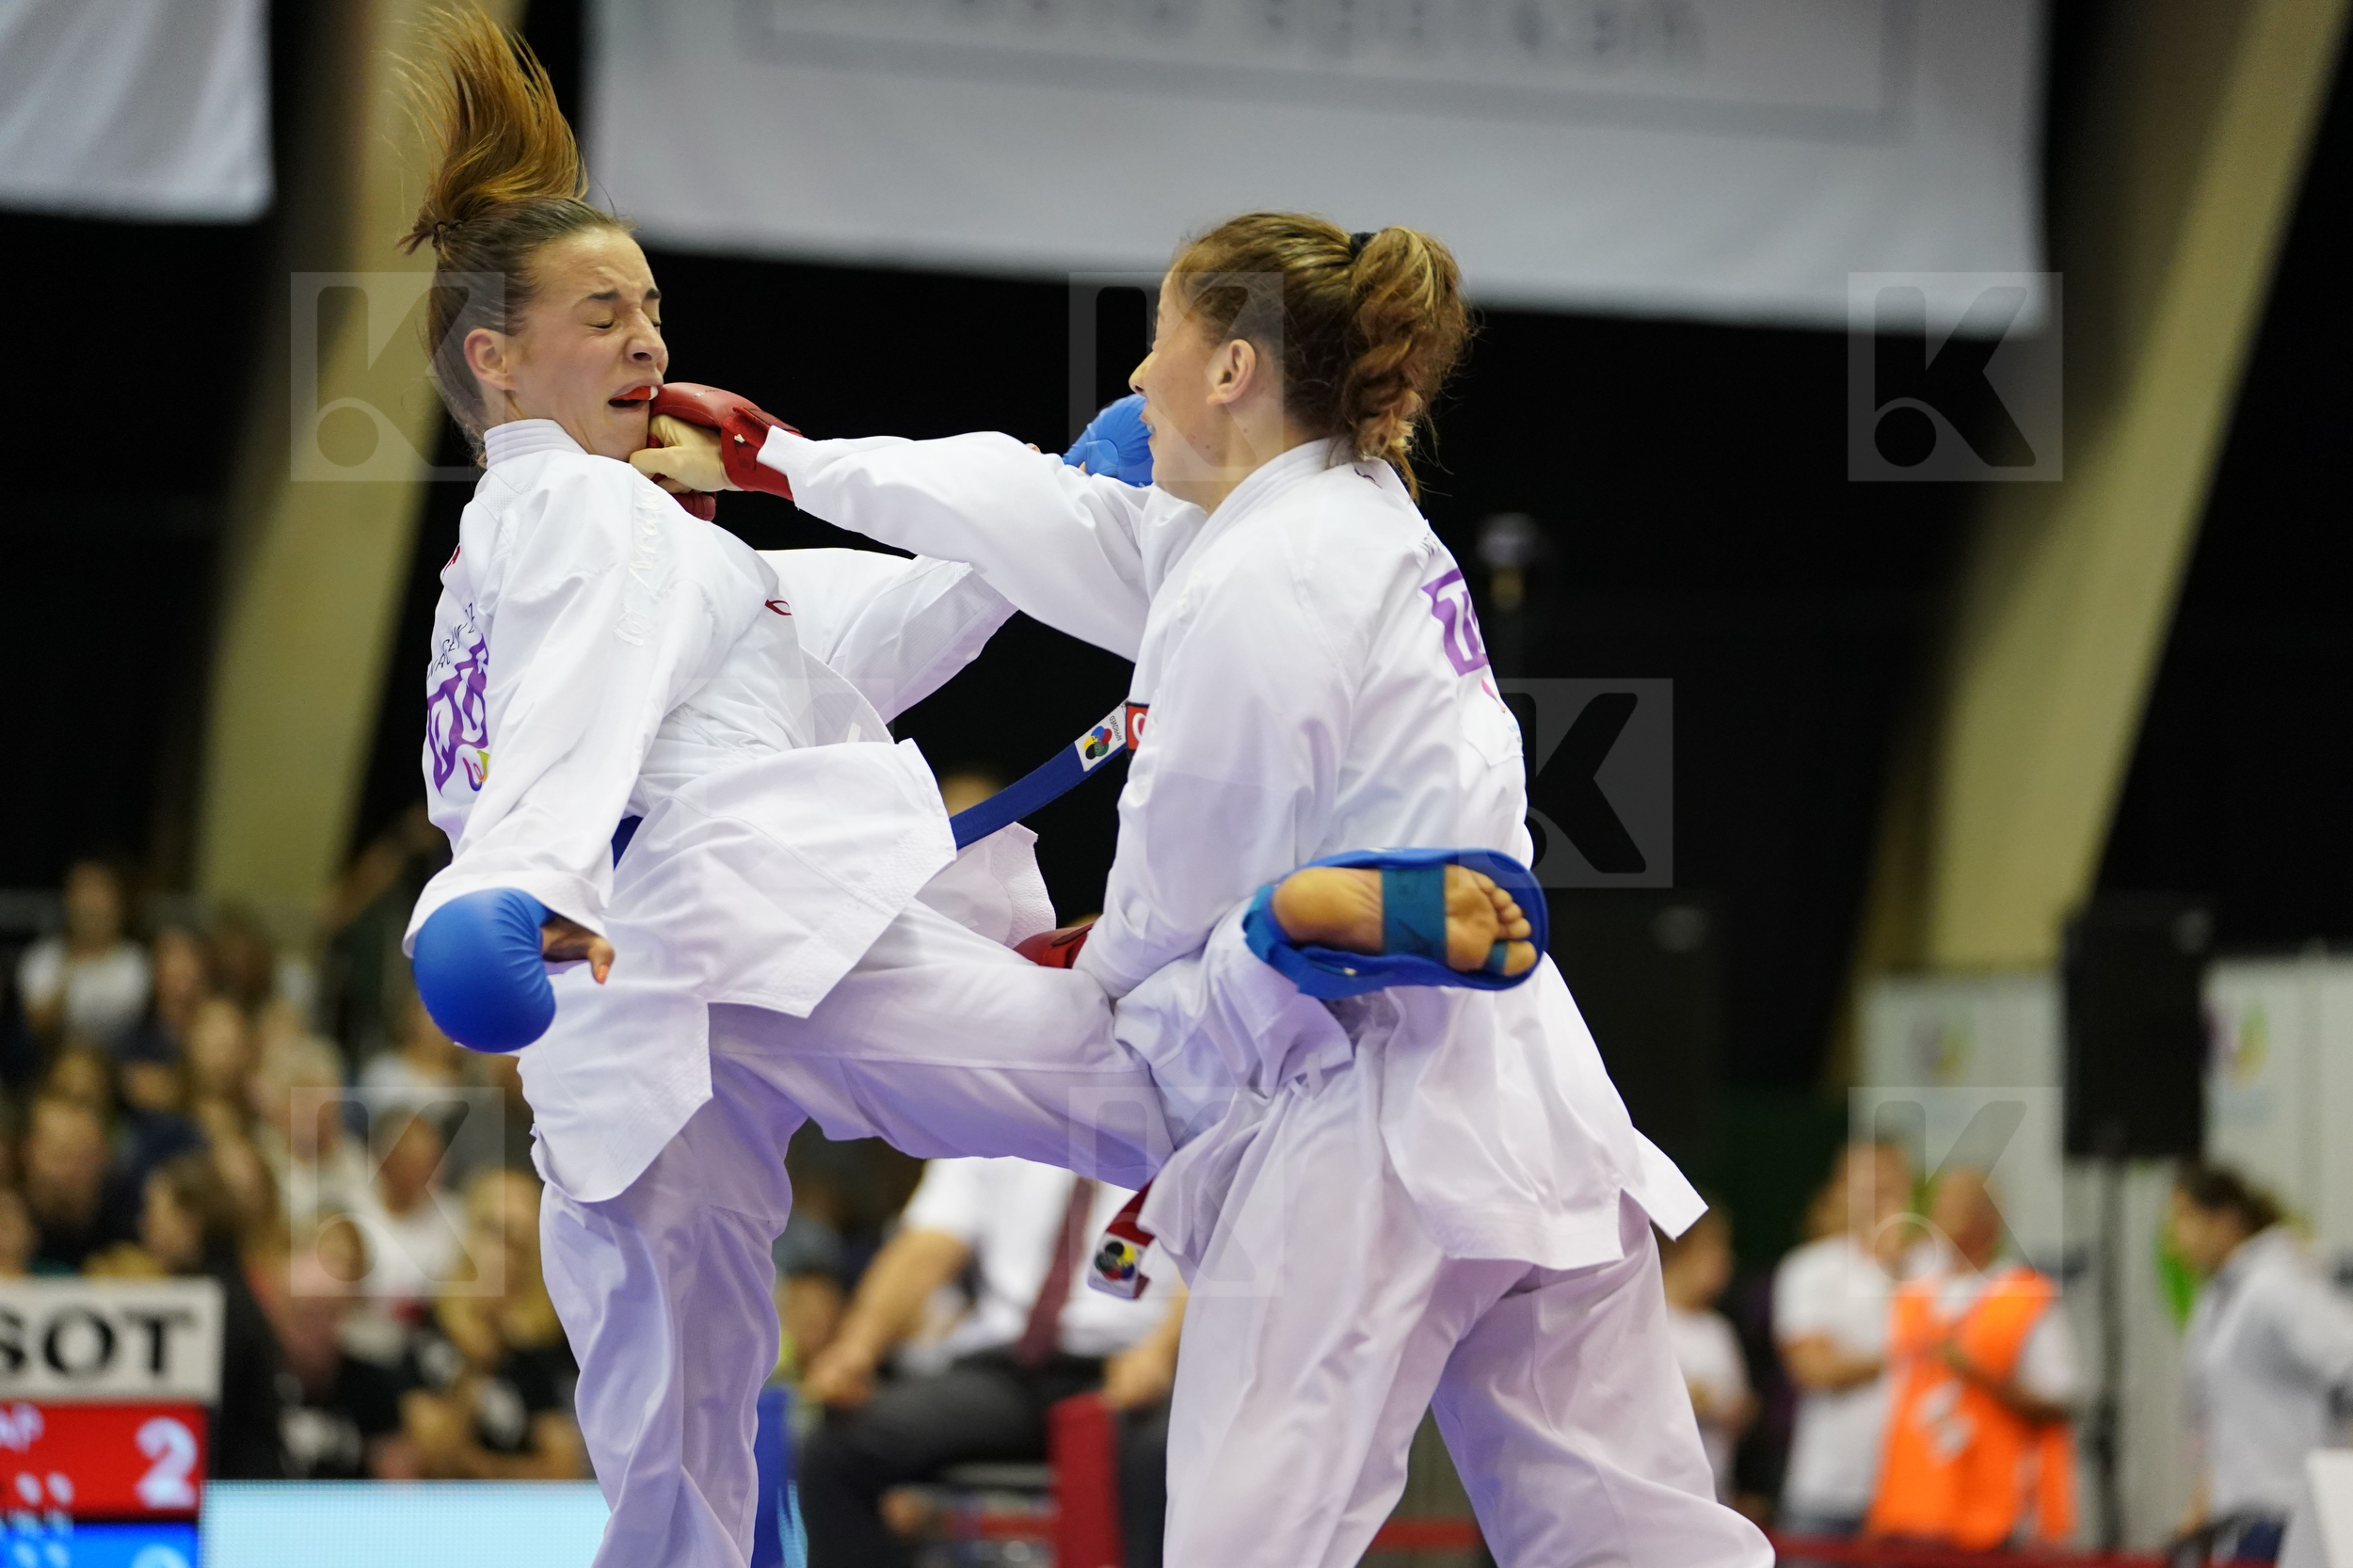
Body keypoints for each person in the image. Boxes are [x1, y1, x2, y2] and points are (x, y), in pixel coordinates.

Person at [393, 22, 1523, 1568]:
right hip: (698, 939)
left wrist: (1052, 493)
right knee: (1146, 1086)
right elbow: (564, 740)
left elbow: (877, 626)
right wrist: (501, 890)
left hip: (639, 1004)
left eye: (654, 307)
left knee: (677, 1453)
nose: (650, 341)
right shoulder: (590, 512)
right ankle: (1368, 1093)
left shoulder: (596, 553)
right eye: (605, 316)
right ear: (495, 360)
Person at [641, 211, 1769, 1567]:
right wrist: (795, 462)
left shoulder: (1263, 574)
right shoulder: (1336, 522)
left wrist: (1091, 963)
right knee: (1637, 1541)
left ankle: (1306, 921)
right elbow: (1044, 515)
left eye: (1155, 345)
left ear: (1231, 368)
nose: (1132, 383)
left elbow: (1178, 878)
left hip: (1357, 1112)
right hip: (1534, 1103)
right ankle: (1305, 920)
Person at [798, 1155, 1183, 1568]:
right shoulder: (994, 1118)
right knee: (838, 1447)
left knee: (1168, 1456)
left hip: (1132, 1370)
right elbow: (930, 1241)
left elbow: (1218, 1261)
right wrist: (857, 1348)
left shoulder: (1188, 1124)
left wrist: (1162, 1352)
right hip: (1011, 1372)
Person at [1865, 1166, 2078, 1550]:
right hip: (1913, 1516)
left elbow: (2059, 1402)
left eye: (1957, 1204)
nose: (1942, 1215)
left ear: (1990, 1218)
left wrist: (1979, 1373)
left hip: (1996, 1521)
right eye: (1939, 1204)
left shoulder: (2027, 1296)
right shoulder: (1911, 1296)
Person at [2170, 1161, 2353, 1563]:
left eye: (2186, 1216)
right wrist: (2204, 1497)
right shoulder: (2218, 1295)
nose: (2176, 1236)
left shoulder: (2274, 1285)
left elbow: (2346, 1361)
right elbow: (2223, 1415)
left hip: (2288, 1513)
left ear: (2227, 1219)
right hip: (2239, 1514)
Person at [399, 1168, 586, 1480]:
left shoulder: (537, 1350)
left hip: (516, 1517)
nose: (511, 1257)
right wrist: (476, 1365)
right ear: (469, 1235)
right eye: (500, 1235)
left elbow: (564, 1469)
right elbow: (434, 1460)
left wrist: (480, 1468)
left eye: (524, 1243)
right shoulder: (425, 1334)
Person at [1773, 1141, 1917, 1539]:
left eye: (1889, 1182)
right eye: (1867, 1181)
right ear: (1841, 1188)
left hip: (1917, 1493)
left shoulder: (1933, 1269)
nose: (1879, 1192)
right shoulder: (1810, 1269)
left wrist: (1899, 1268)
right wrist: (1907, 1354)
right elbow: (1813, 1370)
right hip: (1830, 1490)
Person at [135, 1153, 291, 1478]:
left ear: (189, 1219)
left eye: (154, 1211)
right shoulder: (228, 1289)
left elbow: (213, 1424)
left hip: (232, 1499)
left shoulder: (210, 1307)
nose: (144, 1225)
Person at [1663, 1207, 1756, 1503]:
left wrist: (1737, 1410)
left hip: (1716, 1490)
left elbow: (1742, 1407)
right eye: (1713, 1249)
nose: (1726, 1261)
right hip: (1662, 1491)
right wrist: (1686, 1400)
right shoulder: (1643, 1322)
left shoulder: (1719, 1330)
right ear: (1679, 1252)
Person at [15, 860, 150, 1049]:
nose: (91, 905)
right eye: (83, 892)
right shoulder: (41, 957)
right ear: (68, 902)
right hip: (52, 1060)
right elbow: (39, 1026)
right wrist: (69, 966)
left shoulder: (136, 961)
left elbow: (125, 1025)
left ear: (118, 905)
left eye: (99, 892)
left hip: (120, 1061)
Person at [22, 1095, 136, 1271]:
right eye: (60, 1156)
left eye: (84, 1158)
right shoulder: (8, 1220)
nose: (72, 1171)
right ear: (28, 1152)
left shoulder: (129, 1218)